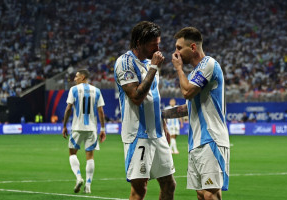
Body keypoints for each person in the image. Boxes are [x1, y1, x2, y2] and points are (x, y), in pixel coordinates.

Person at [162, 27, 230, 200]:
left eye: (179, 48)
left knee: (209, 194)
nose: (175, 53)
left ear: (192, 47)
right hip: (197, 141)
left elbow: (187, 92)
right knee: (201, 194)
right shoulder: (194, 73)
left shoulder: (208, 64)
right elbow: (187, 107)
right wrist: (161, 114)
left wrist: (178, 69)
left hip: (211, 138)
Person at [114, 21, 176, 200]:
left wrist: (163, 124)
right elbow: (136, 97)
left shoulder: (150, 63)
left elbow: (153, 98)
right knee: (140, 189)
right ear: (140, 41)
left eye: (158, 43)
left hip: (157, 134)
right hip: (138, 135)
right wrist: (154, 68)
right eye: (153, 44)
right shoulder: (124, 63)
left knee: (169, 184)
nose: (158, 48)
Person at [62, 69, 106, 194]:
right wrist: (102, 129)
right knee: (90, 156)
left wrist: (64, 126)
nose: (74, 79)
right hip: (91, 128)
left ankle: (78, 177)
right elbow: (101, 111)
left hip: (77, 127)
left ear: (83, 77)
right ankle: (88, 185)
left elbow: (68, 108)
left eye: (76, 77)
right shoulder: (96, 91)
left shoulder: (74, 90)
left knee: (72, 153)